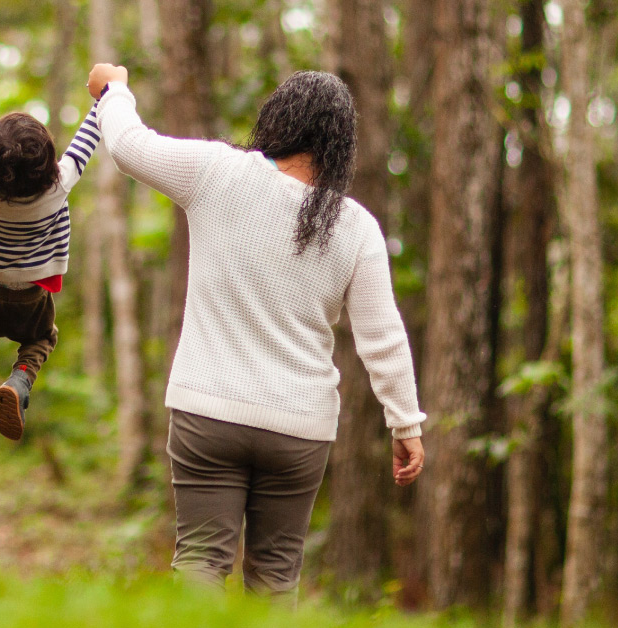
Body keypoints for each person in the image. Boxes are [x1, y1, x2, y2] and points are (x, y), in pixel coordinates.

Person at [88, 61, 426, 598]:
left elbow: (129, 146)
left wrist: (114, 90)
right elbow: (382, 336)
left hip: (208, 413)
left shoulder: (217, 171)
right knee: (275, 579)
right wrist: (405, 423)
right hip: (299, 429)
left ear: (279, 121)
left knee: (199, 566)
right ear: (340, 148)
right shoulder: (356, 226)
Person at [0, 80, 104, 440]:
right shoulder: (60, 184)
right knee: (42, 338)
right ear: (48, 161)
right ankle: (19, 382)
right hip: (32, 293)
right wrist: (104, 97)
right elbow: (87, 137)